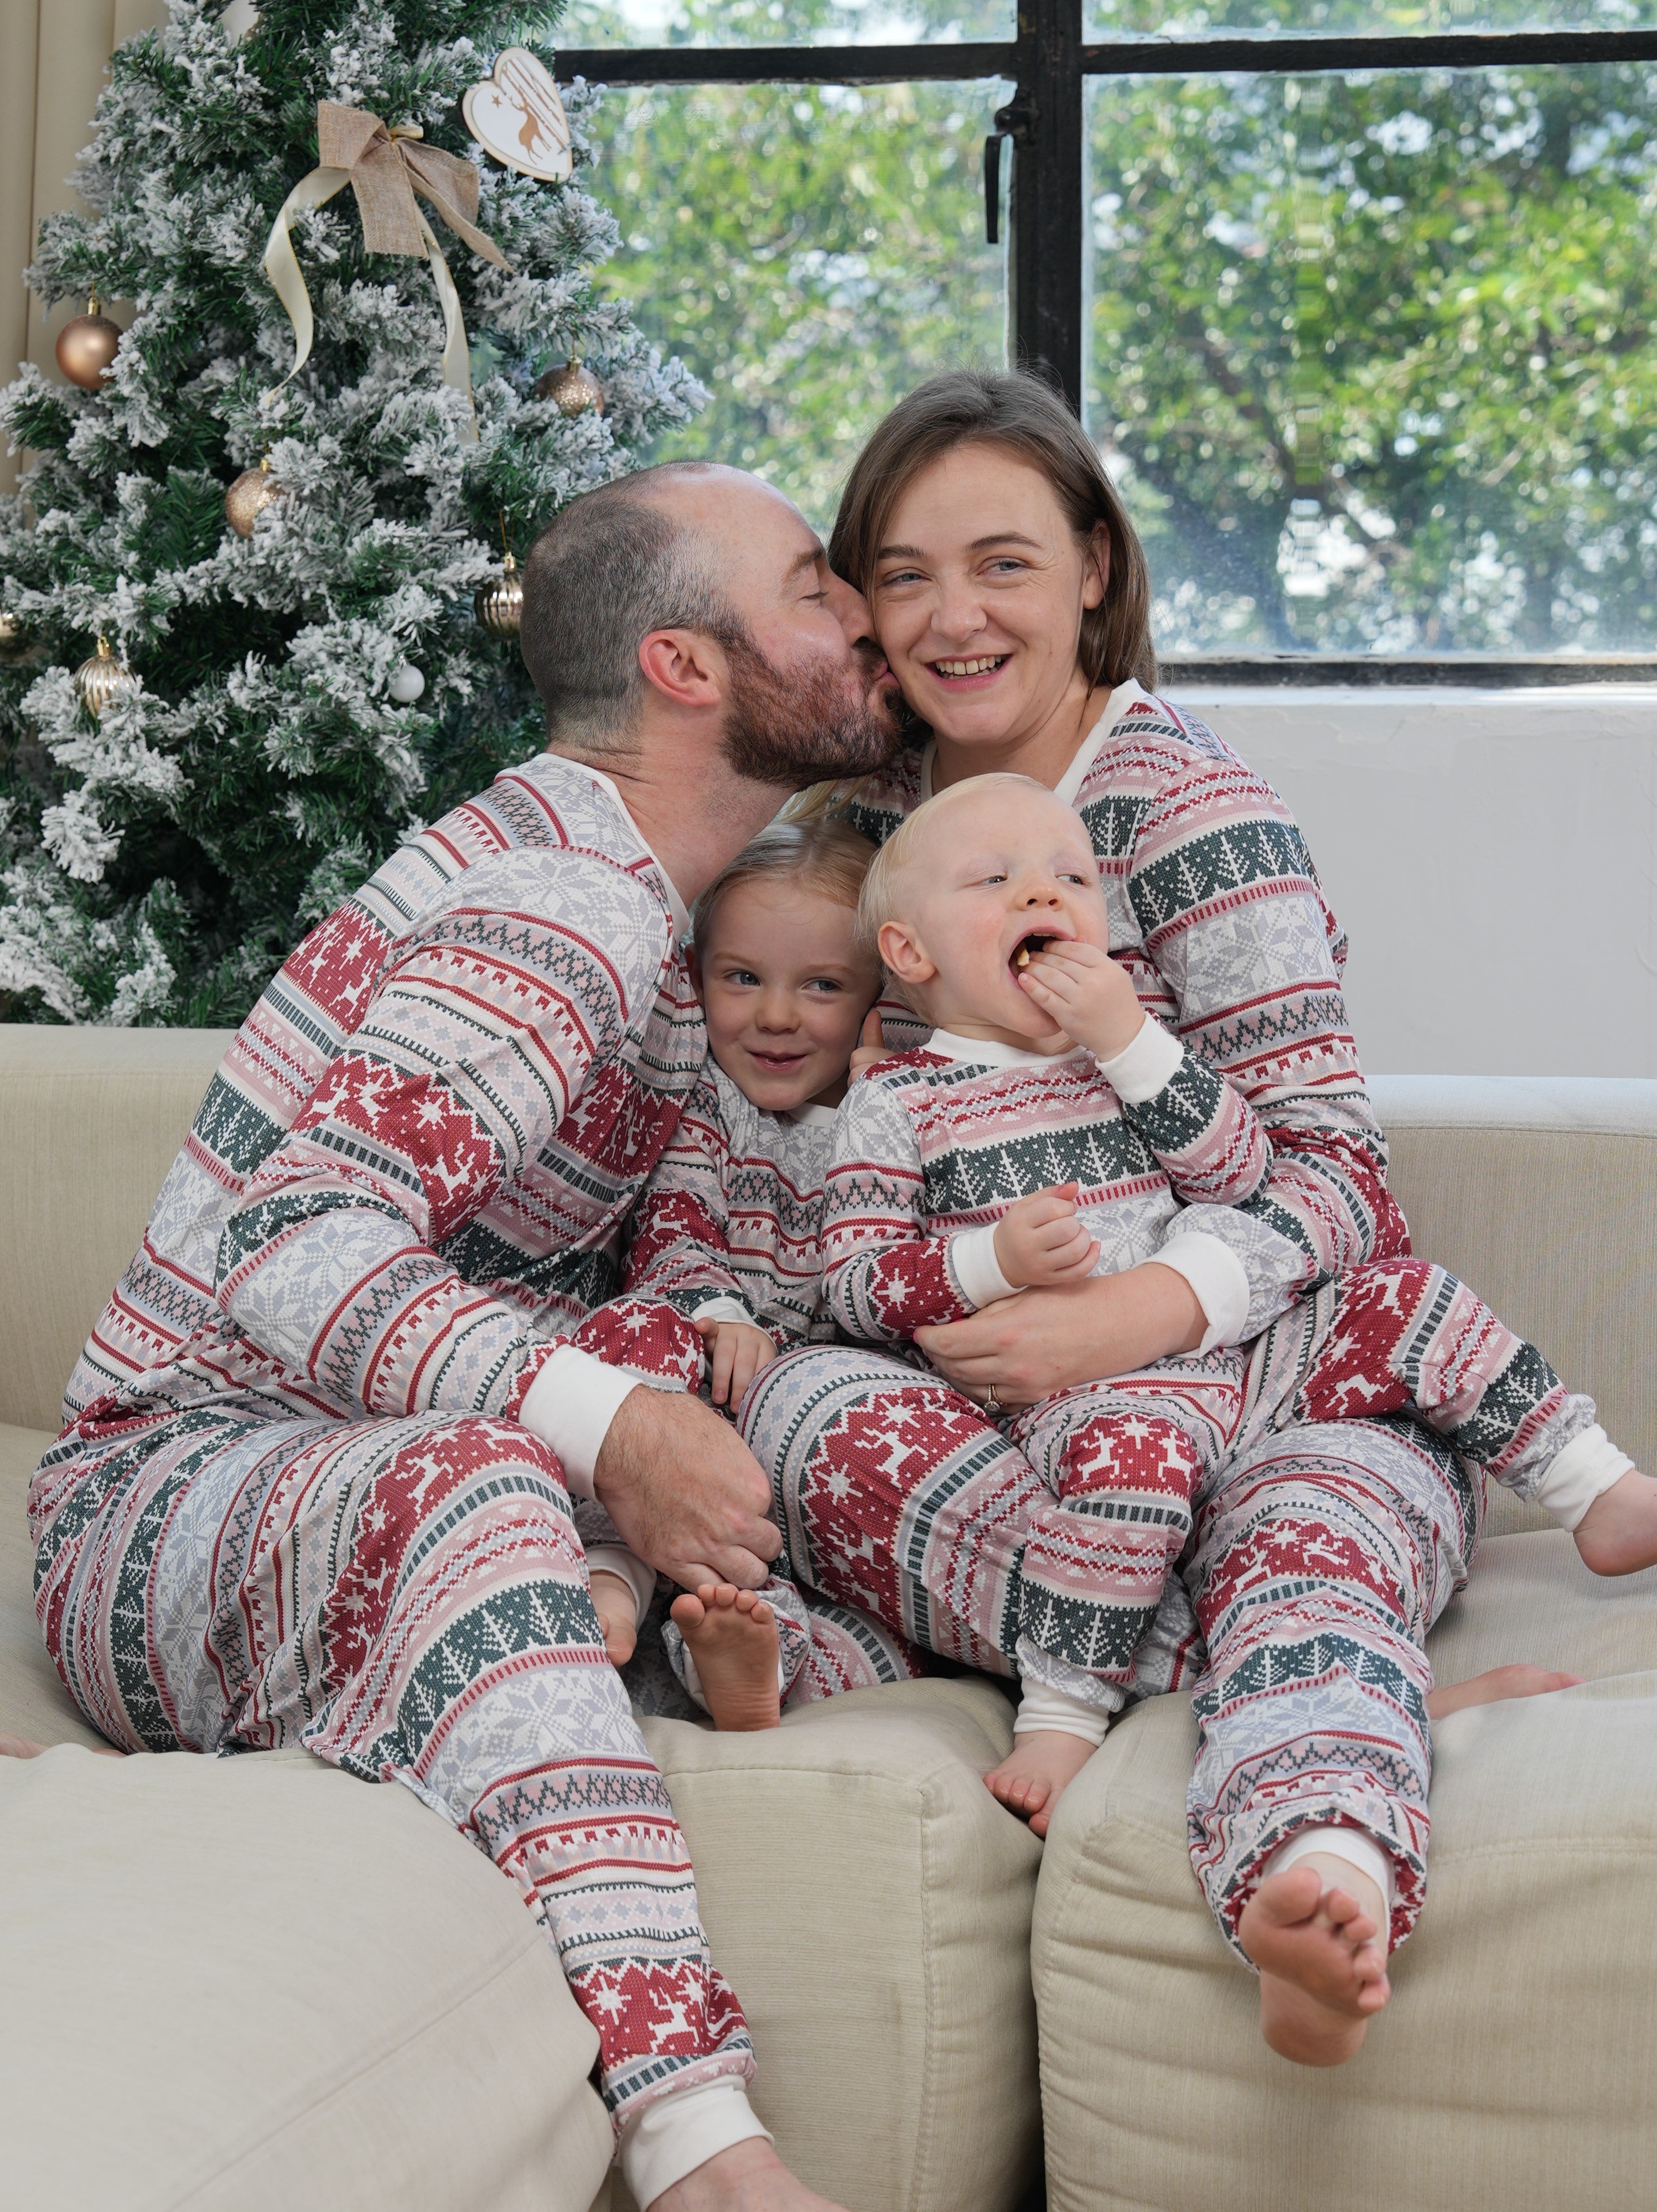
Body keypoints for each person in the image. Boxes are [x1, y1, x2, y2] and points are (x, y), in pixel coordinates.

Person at [0, 461, 903, 2212]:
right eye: (809, 587)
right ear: (686, 668)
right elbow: (287, 1246)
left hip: (336, 1490)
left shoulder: (676, 912)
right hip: (164, 1492)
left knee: (820, 1529)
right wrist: (614, 1429)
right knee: (505, 1474)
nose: (858, 611)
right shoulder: (570, 899)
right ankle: (700, 2140)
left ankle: (293, 1751)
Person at [738, 368, 1608, 2069]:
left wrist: (1131, 1320)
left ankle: (1313, 1834)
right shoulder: (870, 835)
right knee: (797, 1408)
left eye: (999, 560)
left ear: (1089, 572)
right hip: (1026, 1432)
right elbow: (840, 1180)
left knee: (1310, 1517)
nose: (949, 613)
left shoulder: (1191, 812)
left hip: (1267, 1383)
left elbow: (1339, 1179)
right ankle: (1314, 1661)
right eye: (899, 573)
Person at [827, 770, 1654, 1850]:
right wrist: (987, 1261)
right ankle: (1068, 1714)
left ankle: (1594, 1489)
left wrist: (1133, 1042)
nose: (1043, 893)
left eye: (1070, 877)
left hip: (1242, 1364)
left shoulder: (1120, 1061)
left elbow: (1244, 1172)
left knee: (1404, 1298)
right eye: (997, 879)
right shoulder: (901, 1100)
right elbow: (858, 1281)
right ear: (911, 953)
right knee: (1137, 1464)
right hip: (1086, 1409)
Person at [587, 816, 925, 1728]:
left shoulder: (900, 1115)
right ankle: (612, 1571)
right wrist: (714, 1305)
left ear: (877, 996)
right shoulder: (708, 1102)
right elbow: (675, 1220)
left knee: (890, 1635)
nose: (776, 1016)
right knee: (630, 1338)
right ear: (698, 978)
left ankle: (757, 1662)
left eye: (820, 986)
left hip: (815, 1450)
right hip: (703, 1406)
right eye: (742, 979)